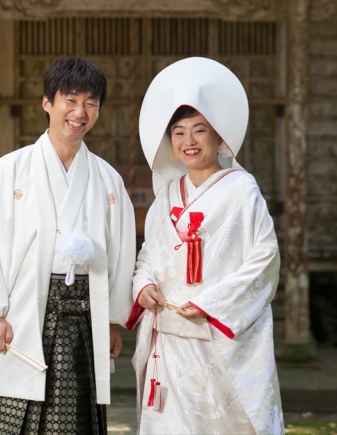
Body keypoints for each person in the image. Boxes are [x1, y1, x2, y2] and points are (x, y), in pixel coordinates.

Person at [0, 57, 136, 435]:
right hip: (20, 314)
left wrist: (112, 320)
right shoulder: (9, 171)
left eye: (91, 103)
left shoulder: (108, 181)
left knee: (73, 420)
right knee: (9, 414)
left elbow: (120, 253)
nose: (80, 112)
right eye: (70, 100)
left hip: (83, 318)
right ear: (47, 102)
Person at [126, 57, 284, 434]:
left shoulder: (242, 191)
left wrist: (210, 305)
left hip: (218, 337)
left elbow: (264, 261)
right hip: (171, 339)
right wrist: (143, 284)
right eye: (178, 133)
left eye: (199, 131)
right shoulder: (167, 196)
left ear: (218, 136)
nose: (189, 142)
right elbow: (150, 252)